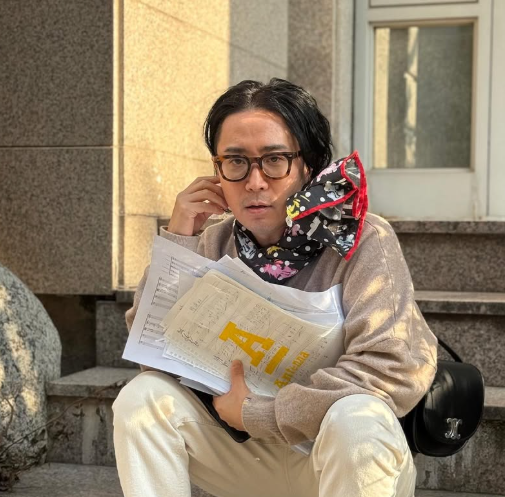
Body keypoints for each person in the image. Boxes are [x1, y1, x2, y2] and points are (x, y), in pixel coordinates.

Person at [112, 78, 438, 497]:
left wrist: (259, 413)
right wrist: (178, 242)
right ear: (217, 170)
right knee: (142, 399)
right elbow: (154, 356)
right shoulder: (213, 241)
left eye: (274, 160)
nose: (254, 181)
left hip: (340, 457)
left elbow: (389, 369)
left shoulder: (361, 239)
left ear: (308, 165)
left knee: (357, 418)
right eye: (236, 161)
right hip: (247, 460)